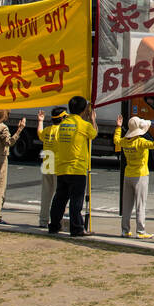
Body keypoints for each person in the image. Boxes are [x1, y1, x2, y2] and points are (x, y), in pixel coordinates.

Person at [48, 96, 97, 237]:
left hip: (62, 167)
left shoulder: (63, 124)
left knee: (59, 200)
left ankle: (54, 226)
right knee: (76, 201)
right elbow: (93, 134)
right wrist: (92, 119)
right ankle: (76, 228)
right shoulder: (83, 125)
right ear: (83, 110)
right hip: (77, 167)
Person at [115, 113, 154, 239]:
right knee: (140, 204)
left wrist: (118, 127)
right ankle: (140, 231)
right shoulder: (141, 142)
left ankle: (125, 230)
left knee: (127, 205)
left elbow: (116, 141)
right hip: (141, 174)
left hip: (128, 173)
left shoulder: (124, 142)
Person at [36, 106, 66, 228]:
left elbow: (40, 134)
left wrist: (40, 121)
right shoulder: (62, 131)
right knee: (59, 195)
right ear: (62, 118)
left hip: (47, 162)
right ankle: (57, 220)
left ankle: (43, 220)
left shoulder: (48, 130)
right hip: (58, 164)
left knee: (46, 194)